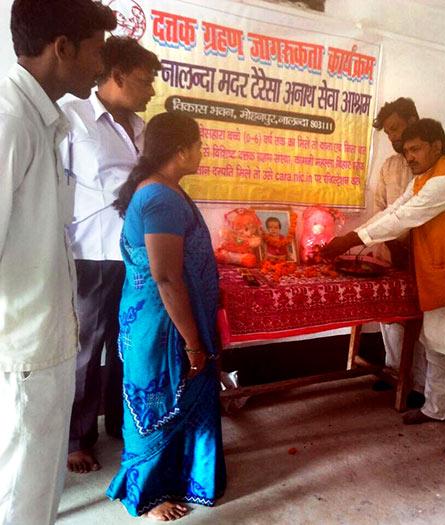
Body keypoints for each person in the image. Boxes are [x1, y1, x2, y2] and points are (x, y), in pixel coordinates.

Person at [0, 2, 115, 524]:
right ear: (62, 46)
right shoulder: (10, 122)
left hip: (43, 349)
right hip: (20, 355)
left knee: (39, 494)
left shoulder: (45, 121)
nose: (102, 64)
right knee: (20, 499)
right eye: (97, 49)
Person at [322, 118, 445, 457]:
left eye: (415, 149)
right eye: (407, 150)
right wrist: (352, 239)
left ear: (437, 146)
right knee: (437, 351)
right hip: (438, 278)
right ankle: (433, 409)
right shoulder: (423, 179)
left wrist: (350, 239)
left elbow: (404, 218)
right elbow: (393, 210)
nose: (409, 156)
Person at [107, 112, 227, 521]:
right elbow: (165, 275)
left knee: (181, 397)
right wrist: (193, 341)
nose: (201, 152)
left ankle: (184, 476)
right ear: (180, 151)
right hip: (162, 324)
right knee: (158, 400)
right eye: (198, 144)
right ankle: (149, 494)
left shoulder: (165, 190)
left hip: (166, 318)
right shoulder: (158, 196)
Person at [60, 36, 161, 474]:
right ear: (116, 76)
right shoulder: (72, 118)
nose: (152, 91)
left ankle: (123, 424)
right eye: (144, 81)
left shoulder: (143, 128)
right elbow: (55, 186)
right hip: (93, 253)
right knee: (87, 347)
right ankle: (77, 438)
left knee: (129, 346)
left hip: (136, 254)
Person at [370, 97, 427, 404]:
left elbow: (422, 213)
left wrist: (407, 244)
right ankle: (393, 371)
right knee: (388, 315)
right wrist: (387, 243)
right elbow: (381, 209)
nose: (392, 136)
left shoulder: (431, 164)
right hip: (391, 252)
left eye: (395, 128)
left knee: (417, 321)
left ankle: (416, 384)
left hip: (422, 254)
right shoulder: (389, 166)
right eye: (388, 132)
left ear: (412, 120)